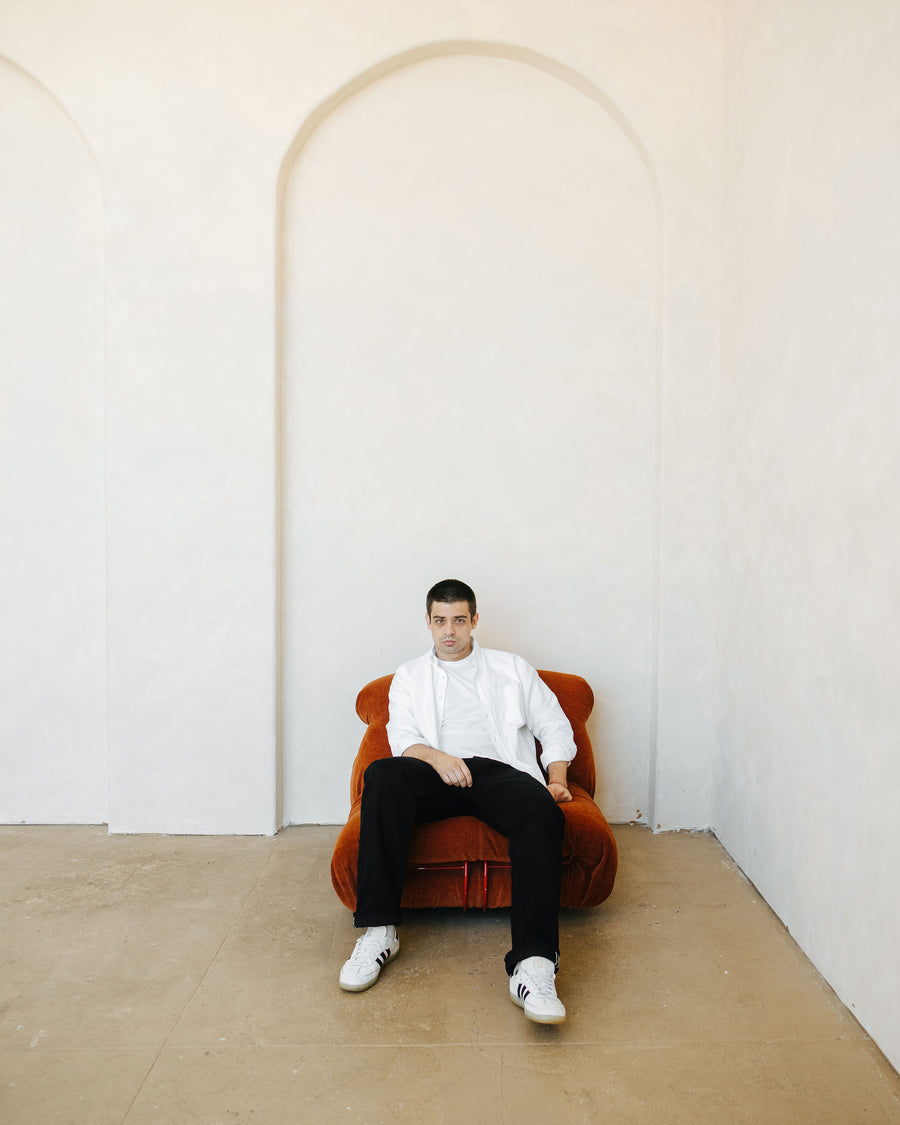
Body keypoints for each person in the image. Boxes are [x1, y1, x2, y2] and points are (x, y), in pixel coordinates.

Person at [339, 578, 576, 1024]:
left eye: (459, 620)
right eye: (441, 621)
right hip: (432, 771)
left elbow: (554, 724)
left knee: (541, 813)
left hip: (500, 771)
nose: (450, 631)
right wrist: (437, 758)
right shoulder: (409, 676)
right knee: (383, 775)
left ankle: (534, 963)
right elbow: (403, 738)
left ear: (474, 620)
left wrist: (557, 777)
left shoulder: (512, 668)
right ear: (428, 622)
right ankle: (380, 930)